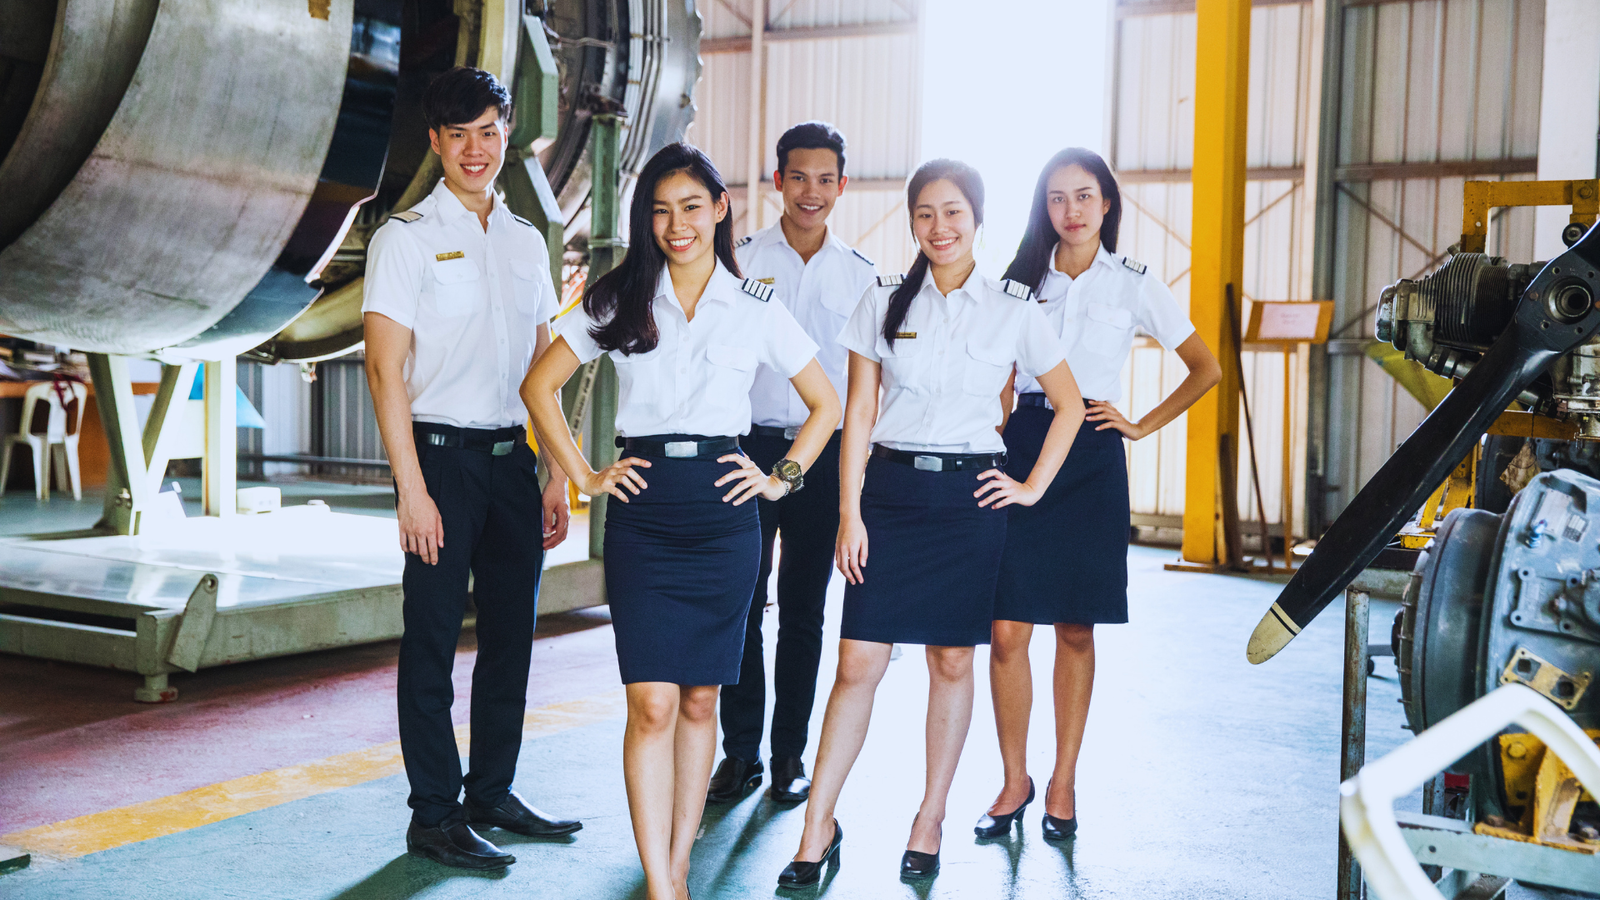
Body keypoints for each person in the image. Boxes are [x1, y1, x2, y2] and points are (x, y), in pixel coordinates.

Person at [521, 142, 841, 900]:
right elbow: (540, 388)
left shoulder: (756, 304)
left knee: (701, 699)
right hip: (645, 509)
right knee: (653, 701)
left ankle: (679, 866)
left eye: (692, 206)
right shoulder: (617, 298)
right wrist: (587, 477)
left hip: (729, 515)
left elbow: (826, 405)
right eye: (661, 210)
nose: (677, 223)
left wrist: (780, 478)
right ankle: (662, 885)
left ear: (721, 208)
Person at [779, 159, 1086, 888]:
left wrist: (1031, 487)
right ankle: (817, 825)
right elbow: (856, 413)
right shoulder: (884, 300)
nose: (939, 228)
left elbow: (1068, 404)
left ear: (978, 220)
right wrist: (850, 511)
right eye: (925, 215)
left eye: (953, 213)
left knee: (952, 662)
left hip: (968, 504)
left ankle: (929, 818)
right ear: (911, 222)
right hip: (888, 496)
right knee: (858, 664)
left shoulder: (1014, 307)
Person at [362, 66, 581, 870]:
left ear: (505, 134)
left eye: (488, 132)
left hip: (512, 463)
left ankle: (491, 792)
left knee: (512, 640)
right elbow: (385, 371)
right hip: (442, 462)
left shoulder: (526, 241)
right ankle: (434, 814)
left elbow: (540, 360)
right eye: (459, 135)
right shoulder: (405, 239)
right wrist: (411, 490)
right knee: (430, 645)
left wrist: (555, 469)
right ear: (436, 143)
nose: (476, 150)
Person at [976, 148, 1220, 843]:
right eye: (1057, 198)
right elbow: (997, 371)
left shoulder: (1135, 283)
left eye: (1084, 196)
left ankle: (1063, 781)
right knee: (1006, 631)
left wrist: (1141, 424)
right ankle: (1013, 779)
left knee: (1075, 628)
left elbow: (1205, 367)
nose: (1071, 211)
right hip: (1022, 444)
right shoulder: (1019, 282)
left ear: (1107, 203)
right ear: (1043, 208)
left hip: (1089, 459)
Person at [708, 121, 878, 806]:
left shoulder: (863, 276)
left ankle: (788, 757)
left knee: (805, 610)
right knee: (742, 606)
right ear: (777, 180)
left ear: (843, 185)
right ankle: (740, 753)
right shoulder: (740, 260)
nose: (812, 192)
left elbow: (863, 391)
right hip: (746, 451)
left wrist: (854, 488)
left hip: (819, 455)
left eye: (825, 179)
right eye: (798, 177)